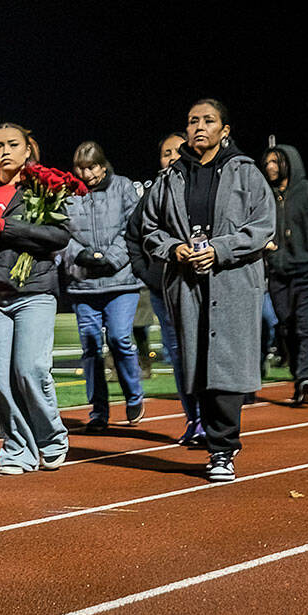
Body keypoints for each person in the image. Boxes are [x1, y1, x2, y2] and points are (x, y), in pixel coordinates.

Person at [141, 100, 275, 482]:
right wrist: (173, 249)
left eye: (208, 120)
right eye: (193, 121)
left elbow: (262, 226)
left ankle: (222, 450)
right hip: (186, 282)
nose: (199, 126)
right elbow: (150, 228)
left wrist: (219, 250)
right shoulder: (169, 178)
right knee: (197, 364)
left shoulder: (247, 173)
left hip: (233, 281)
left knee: (227, 364)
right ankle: (206, 432)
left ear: (225, 129)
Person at [0, 122, 70, 475]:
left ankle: (51, 438)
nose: (4, 150)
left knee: (30, 369)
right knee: (1, 379)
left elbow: (59, 235)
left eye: (12, 144)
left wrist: (8, 227)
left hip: (34, 291)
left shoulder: (44, 186)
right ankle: (18, 448)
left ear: (26, 151)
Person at [61, 141, 146, 431]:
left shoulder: (123, 187)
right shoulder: (69, 192)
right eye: (80, 168)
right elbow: (60, 231)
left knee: (120, 339)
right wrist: (79, 255)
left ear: (103, 164)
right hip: (84, 285)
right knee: (91, 347)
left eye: (91, 167)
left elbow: (134, 226)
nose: (86, 174)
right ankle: (98, 412)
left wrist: (111, 259)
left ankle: (134, 395)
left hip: (121, 282)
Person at [127, 132, 201, 444]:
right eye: (165, 153)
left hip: (204, 287)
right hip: (165, 290)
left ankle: (217, 420)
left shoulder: (204, 187)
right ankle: (195, 420)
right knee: (181, 356)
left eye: (176, 151)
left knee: (206, 355)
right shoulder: (153, 193)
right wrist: (150, 275)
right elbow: (134, 235)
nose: (170, 157)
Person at [260, 144, 308, 407]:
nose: (269, 166)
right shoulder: (266, 196)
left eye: (275, 161)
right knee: (287, 329)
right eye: (267, 161)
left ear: (289, 163)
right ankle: (299, 378)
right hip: (279, 277)